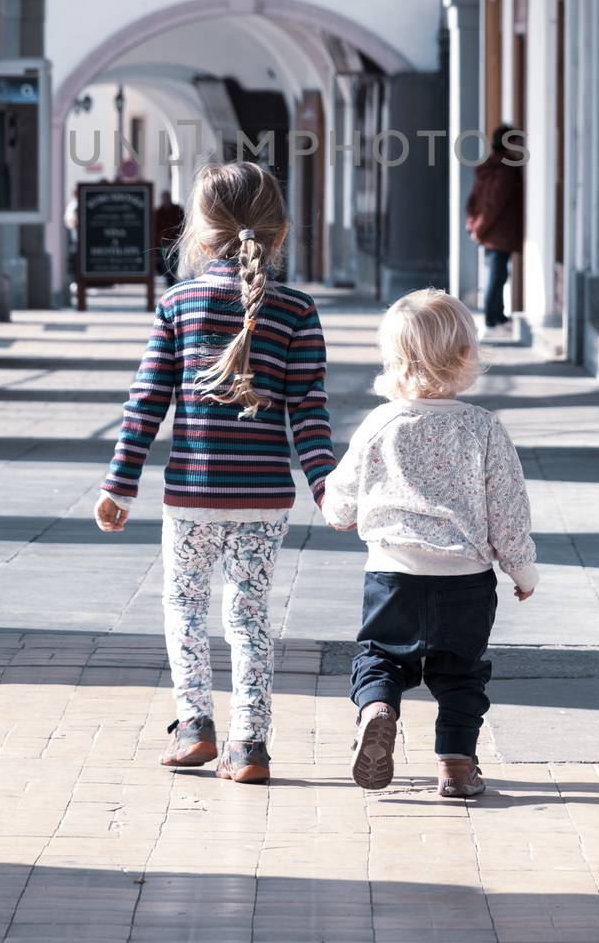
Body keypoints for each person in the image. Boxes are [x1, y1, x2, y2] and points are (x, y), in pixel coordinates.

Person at [95, 161, 335, 786]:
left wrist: (120, 484)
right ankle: (250, 743)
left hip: (193, 496)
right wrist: (325, 483)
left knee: (185, 603)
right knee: (249, 613)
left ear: (198, 235)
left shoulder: (178, 304)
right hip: (264, 498)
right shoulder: (297, 312)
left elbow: (146, 403)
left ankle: (194, 727)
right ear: (280, 232)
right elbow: (310, 411)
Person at [321, 288, 538, 799]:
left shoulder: (379, 424)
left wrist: (338, 514)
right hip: (465, 579)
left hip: (392, 573)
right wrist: (523, 572)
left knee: (379, 656)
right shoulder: (484, 429)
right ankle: (457, 768)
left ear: (393, 360)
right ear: (468, 357)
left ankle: (377, 708)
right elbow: (508, 509)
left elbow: (343, 494)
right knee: (462, 675)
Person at [465, 123, 524, 330]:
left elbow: (472, 200)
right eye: (517, 142)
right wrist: (479, 228)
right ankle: (492, 316)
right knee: (497, 274)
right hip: (498, 231)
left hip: (490, 230)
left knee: (497, 273)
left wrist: (473, 225)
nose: (520, 147)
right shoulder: (505, 170)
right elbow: (494, 204)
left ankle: (496, 314)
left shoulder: (489, 166)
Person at [154, 188, 184, 277]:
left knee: (174, 260)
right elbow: (155, 227)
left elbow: (182, 223)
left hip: (174, 240)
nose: (165, 201)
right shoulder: (158, 212)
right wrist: (158, 240)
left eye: (167, 199)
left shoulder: (177, 209)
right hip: (163, 241)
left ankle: (172, 277)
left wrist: (180, 236)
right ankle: (167, 277)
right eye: (164, 199)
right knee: (164, 262)